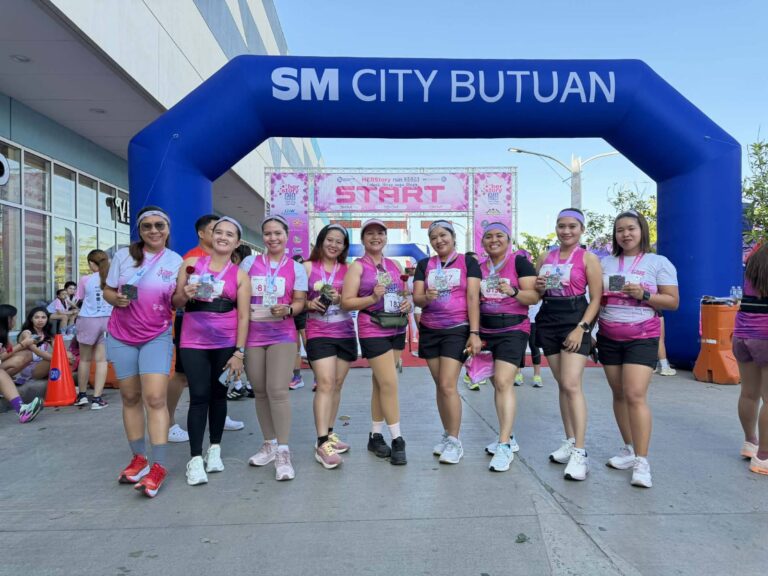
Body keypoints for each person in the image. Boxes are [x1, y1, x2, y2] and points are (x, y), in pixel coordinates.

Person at [103, 206, 182, 498]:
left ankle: (159, 465)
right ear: (140, 230)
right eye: (147, 226)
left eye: (159, 225)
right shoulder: (123, 256)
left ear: (167, 229)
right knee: (130, 396)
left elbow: (177, 299)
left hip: (156, 336)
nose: (153, 231)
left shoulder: (176, 261)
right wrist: (116, 299)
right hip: (121, 335)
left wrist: (187, 294)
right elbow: (108, 290)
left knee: (155, 398)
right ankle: (139, 458)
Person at [598, 210, 678, 488]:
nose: (626, 234)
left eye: (631, 228)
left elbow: (672, 301)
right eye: (620, 230)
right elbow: (596, 300)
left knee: (634, 394)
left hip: (642, 336)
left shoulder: (659, 262)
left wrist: (644, 294)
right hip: (608, 335)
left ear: (642, 231)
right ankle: (629, 449)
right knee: (618, 394)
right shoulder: (604, 263)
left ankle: (642, 461)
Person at [173, 217, 251, 486]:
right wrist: (185, 292)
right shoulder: (191, 266)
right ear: (209, 235)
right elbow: (176, 302)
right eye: (219, 232)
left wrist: (239, 353)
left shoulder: (240, 275)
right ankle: (195, 459)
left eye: (230, 234)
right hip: (193, 340)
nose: (223, 237)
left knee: (219, 396)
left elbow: (243, 317)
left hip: (226, 342)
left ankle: (214, 449)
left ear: (237, 242)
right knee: (199, 396)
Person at [534, 208, 602, 481]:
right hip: (549, 316)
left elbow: (596, 298)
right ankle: (570, 439)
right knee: (563, 384)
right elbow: (538, 294)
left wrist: (582, 328)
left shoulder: (589, 258)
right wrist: (538, 286)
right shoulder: (545, 257)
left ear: (581, 229)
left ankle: (581, 452)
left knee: (572, 384)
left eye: (572, 226)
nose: (566, 231)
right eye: (561, 226)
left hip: (576, 318)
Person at [241, 215, 307, 481]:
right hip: (253, 334)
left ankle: (283, 450)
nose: (272, 238)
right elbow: (238, 294)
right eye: (267, 234)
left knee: (277, 391)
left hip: (282, 333)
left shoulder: (296, 268)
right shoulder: (249, 262)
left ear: (286, 235)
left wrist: (289, 308)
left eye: (277, 233)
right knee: (259, 391)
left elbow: (301, 301)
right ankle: (268, 443)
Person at [341, 218, 411, 465]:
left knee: (381, 384)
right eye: (370, 234)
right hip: (372, 328)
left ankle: (375, 435)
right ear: (363, 239)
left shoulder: (393, 264)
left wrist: (405, 302)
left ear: (385, 238)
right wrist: (371, 297)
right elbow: (346, 302)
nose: (375, 237)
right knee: (390, 383)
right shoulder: (358, 267)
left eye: (380, 233)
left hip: (395, 326)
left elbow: (400, 293)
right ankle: (398, 439)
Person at [412, 220, 481, 464]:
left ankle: (455, 440)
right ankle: (447, 434)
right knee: (440, 387)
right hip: (430, 329)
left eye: (443, 235)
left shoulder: (467, 262)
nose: (439, 240)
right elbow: (418, 299)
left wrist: (474, 332)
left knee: (447, 384)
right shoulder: (424, 265)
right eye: (434, 237)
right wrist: (426, 297)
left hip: (458, 328)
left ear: (453, 237)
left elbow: (473, 296)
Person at [475, 222, 539, 471]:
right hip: (486, 331)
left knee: (503, 382)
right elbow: (472, 300)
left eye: (499, 235)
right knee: (496, 383)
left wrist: (513, 292)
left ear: (508, 239)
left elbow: (533, 297)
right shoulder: (478, 268)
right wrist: (475, 333)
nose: (494, 240)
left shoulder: (519, 262)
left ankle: (503, 446)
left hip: (513, 328)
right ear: (482, 242)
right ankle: (508, 436)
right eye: (489, 236)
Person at [303, 224, 356, 469]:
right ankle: (321, 442)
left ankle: (331, 433)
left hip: (344, 331)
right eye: (330, 240)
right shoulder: (306, 267)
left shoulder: (348, 269)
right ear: (321, 241)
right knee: (324, 383)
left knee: (337, 384)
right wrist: (309, 304)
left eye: (339, 242)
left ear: (344, 247)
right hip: (318, 332)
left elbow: (353, 302)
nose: (334, 245)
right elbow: (295, 299)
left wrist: (341, 300)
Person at [168, 213, 219, 443]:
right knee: (181, 374)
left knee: (217, 372)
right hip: (191, 321)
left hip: (219, 323)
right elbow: (180, 296)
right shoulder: (190, 259)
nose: (220, 235)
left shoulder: (224, 259)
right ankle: (167, 422)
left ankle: (218, 414)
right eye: (215, 231)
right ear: (201, 233)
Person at [734, 243, 768, 475]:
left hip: (742, 334)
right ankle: (764, 457)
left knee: (749, 393)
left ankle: (750, 442)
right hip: (766, 335)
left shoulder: (755, 259)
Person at [73, 249, 113, 409]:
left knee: (84, 359)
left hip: (87, 320)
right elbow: (131, 295)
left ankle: (82, 396)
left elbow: (78, 298)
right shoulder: (113, 278)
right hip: (107, 320)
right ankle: (97, 399)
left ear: (91, 263)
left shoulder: (85, 279)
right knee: (101, 360)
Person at [0, 304, 43, 423]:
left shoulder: (4, 333)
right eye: (13, 318)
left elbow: (7, 353)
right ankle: (22, 410)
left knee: (25, 355)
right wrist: (23, 344)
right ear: (7, 319)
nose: (15, 320)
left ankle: (21, 407)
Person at [2, 307, 57, 384]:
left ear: (47, 319)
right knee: (52, 360)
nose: (40, 320)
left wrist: (64, 356)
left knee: (65, 356)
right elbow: (37, 352)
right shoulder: (27, 333)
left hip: (38, 364)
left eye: (43, 317)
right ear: (31, 319)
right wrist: (60, 359)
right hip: (28, 367)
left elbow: (58, 350)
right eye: (37, 317)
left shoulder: (47, 334)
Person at [289, 254, 308, 390]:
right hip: (292, 314)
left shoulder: (307, 275)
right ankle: (297, 377)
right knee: (295, 348)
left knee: (309, 346)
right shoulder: (290, 274)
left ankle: (317, 378)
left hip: (305, 313)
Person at [516, 299, 544, 387]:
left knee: (534, 346)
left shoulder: (539, 286)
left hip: (535, 320)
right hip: (521, 319)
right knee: (520, 347)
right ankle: (518, 374)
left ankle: (537, 376)